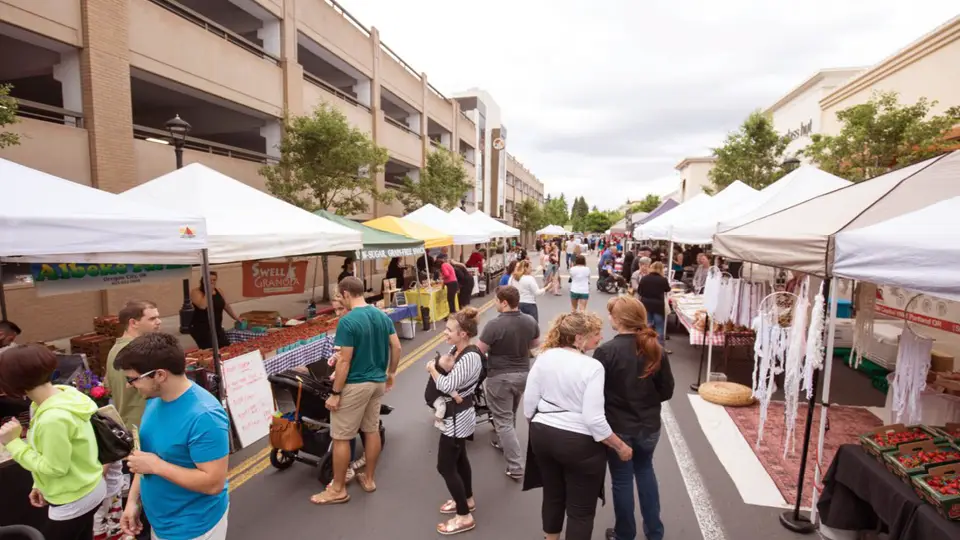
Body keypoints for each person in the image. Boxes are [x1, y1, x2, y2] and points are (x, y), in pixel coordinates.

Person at [523, 312, 632, 540]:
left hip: (542, 434)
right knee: (580, 511)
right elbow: (594, 420)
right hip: (578, 444)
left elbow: (529, 406)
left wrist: (541, 429)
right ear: (578, 338)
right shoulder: (592, 367)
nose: (600, 338)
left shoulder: (545, 357)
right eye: (595, 334)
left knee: (553, 495)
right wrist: (620, 446)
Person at [113, 333, 229, 540]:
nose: (130, 385)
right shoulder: (154, 399)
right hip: (161, 522)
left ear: (159, 375)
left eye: (133, 379)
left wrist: (156, 466)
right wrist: (133, 502)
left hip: (193, 529)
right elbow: (145, 458)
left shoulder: (205, 416)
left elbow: (213, 483)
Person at [0, 345, 106, 540]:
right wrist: (39, 485)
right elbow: (55, 453)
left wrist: (13, 443)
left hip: (74, 498)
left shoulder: (53, 418)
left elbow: (55, 468)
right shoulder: (65, 394)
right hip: (89, 486)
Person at [311, 277, 401, 505]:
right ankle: (369, 479)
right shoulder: (381, 315)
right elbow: (396, 346)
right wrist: (391, 373)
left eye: (341, 296)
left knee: (341, 437)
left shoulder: (348, 321)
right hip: (377, 381)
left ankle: (338, 489)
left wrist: (336, 393)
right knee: (371, 430)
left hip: (355, 385)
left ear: (346, 293)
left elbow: (344, 362)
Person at [594, 296, 674, 540]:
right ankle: (655, 532)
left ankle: (625, 533)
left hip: (618, 426)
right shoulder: (654, 348)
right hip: (648, 425)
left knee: (621, 479)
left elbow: (596, 394)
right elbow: (666, 390)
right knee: (645, 471)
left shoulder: (606, 351)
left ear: (618, 320)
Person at [427, 308, 484, 536]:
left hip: (457, 418)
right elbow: (449, 379)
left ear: (463, 333)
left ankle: (464, 516)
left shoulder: (469, 356)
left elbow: (447, 384)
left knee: (445, 466)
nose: (445, 333)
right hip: (454, 413)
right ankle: (467, 500)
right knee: (460, 460)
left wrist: (432, 368)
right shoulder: (457, 349)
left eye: (449, 330)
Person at [478, 286, 540, 480]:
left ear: (504, 302)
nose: (495, 303)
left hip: (500, 377)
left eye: (496, 300)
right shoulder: (530, 321)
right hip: (522, 374)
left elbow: (480, 350)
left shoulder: (494, 325)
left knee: (503, 420)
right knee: (510, 413)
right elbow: (535, 344)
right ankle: (503, 442)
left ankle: (516, 466)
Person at [105, 300, 161, 430]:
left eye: (158, 317)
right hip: (143, 426)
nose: (159, 322)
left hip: (129, 423)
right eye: (152, 318)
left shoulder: (115, 350)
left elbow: (107, 386)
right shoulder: (138, 352)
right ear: (133, 323)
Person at [189, 272, 240, 350]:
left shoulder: (219, 291)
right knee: (211, 351)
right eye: (209, 280)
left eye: (214, 280)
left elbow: (225, 305)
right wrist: (208, 291)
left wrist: (236, 318)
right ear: (203, 280)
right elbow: (202, 306)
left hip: (216, 326)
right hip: (201, 328)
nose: (212, 282)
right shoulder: (196, 292)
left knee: (226, 348)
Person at [639, 262, 672, 346]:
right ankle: (659, 346)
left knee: (647, 325)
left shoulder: (644, 278)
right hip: (658, 305)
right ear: (661, 269)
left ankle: (646, 344)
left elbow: (640, 291)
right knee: (659, 326)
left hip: (646, 304)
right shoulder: (663, 279)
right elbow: (667, 289)